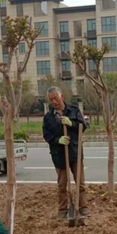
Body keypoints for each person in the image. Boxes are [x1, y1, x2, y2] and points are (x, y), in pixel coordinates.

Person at [42, 86, 90, 220]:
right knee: (62, 184)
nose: (54, 102)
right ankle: (63, 209)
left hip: (75, 152)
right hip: (59, 155)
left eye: (56, 98)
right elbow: (47, 136)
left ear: (62, 97)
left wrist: (71, 123)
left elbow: (84, 126)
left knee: (80, 182)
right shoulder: (48, 117)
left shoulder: (74, 110)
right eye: (51, 100)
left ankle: (83, 207)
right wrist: (58, 140)